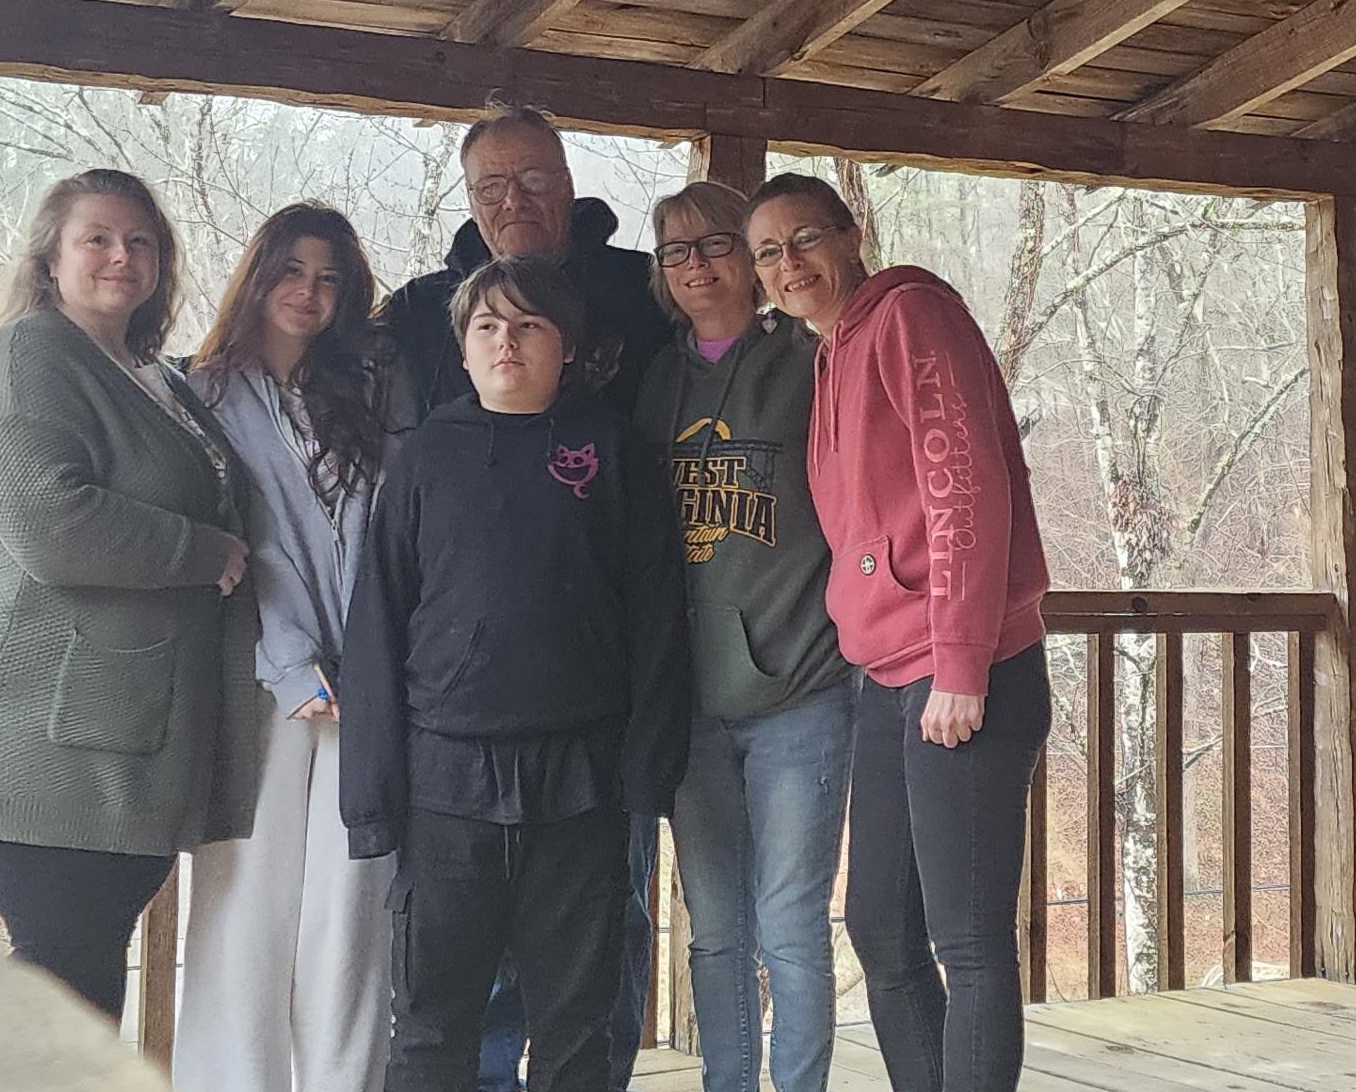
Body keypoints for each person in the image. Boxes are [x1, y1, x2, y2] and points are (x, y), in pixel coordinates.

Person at [340, 254, 690, 1092]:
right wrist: (372, 798)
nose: (507, 342)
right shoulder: (424, 457)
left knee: (576, 1028)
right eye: (488, 326)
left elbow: (657, 620)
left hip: (583, 784)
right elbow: (377, 627)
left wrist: (649, 775)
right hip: (446, 785)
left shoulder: (611, 449)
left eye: (529, 325)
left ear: (566, 346)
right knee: (432, 1026)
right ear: (462, 349)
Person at [0, 168, 259, 1020]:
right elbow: (47, 520)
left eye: (140, 242)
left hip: (117, 728)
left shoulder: (147, 372)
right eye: (96, 239)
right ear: (51, 257)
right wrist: (203, 551)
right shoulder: (27, 355)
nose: (121, 257)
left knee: (79, 981)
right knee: (65, 990)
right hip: (39, 729)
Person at [742, 174, 1052, 1092]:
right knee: (881, 927)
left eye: (805, 238)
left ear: (851, 233)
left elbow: (964, 487)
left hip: (962, 669)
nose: (789, 263)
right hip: (884, 674)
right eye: (768, 253)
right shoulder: (831, 352)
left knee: (969, 937)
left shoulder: (911, 315)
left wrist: (960, 662)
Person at [174, 204, 404, 1092]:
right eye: (293, 270)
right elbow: (244, 541)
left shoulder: (367, 391)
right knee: (246, 914)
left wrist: (377, 658)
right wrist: (291, 657)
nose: (309, 292)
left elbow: (386, 532)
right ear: (259, 274)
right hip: (258, 684)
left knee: (352, 919)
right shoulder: (200, 395)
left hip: (367, 682)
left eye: (329, 278)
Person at [632, 183, 853, 1092]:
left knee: (791, 927)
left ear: (754, 260)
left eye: (717, 244)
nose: (697, 266)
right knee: (716, 930)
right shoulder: (652, 383)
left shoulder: (810, 362)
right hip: (691, 706)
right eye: (675, 252)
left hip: (800, 692)